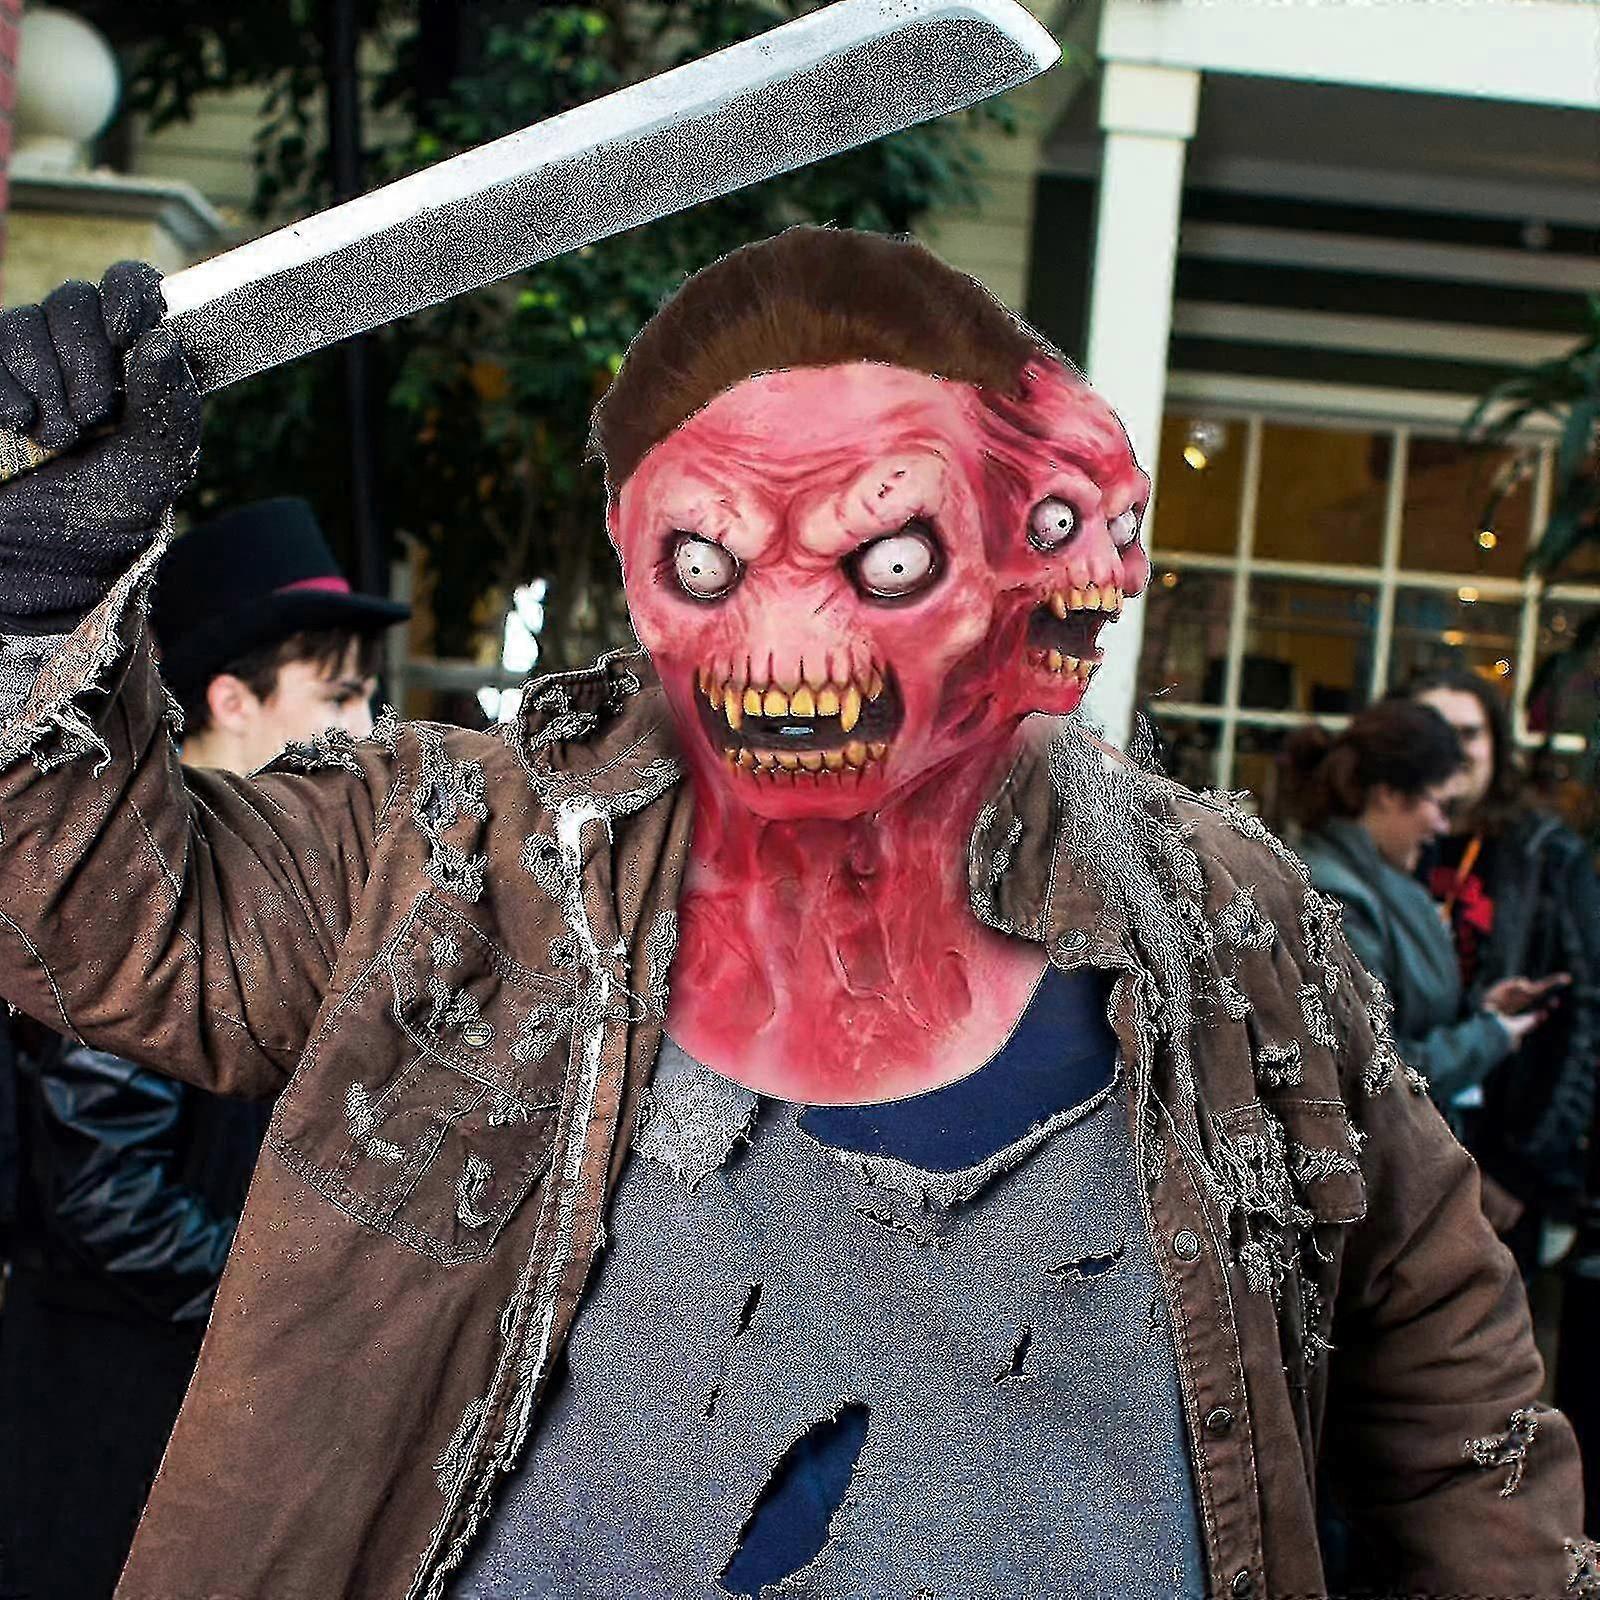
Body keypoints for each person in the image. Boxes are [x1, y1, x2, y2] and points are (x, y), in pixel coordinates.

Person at [0, 239, 1589, 1600]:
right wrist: (35, 595)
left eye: (885, 551)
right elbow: (100, 919)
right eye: (711, 553)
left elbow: (1444, 1366)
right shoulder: (458, 858)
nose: (787, 628)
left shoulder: (1219, 920)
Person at [0, 499, 408, 1600]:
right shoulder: (144, 891)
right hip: (117, 1410)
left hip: (201, 1394)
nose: (369, 724)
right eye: (340, 694)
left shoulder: (288, 875)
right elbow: (105, 1193)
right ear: (232, 698)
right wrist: (301, 1285)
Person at [1284, 701, 1560, 1141]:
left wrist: (1480, 1014)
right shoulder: (1340, 896)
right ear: (1388, 794)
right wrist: (1488, 1036)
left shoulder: (1374, 883)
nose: (1443, 827)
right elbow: (1373, 1071)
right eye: (1441, 805)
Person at [1402, 669, 1600, 1269]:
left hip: (1503, 1162)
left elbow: (1585, 1018)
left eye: (1469, 733)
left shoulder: (1546, 855)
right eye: (1433, 730)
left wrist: (1522, 1169)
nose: (1453, 749)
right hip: (1398, 1151)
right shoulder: (1383, 846)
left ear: (1496, 744)